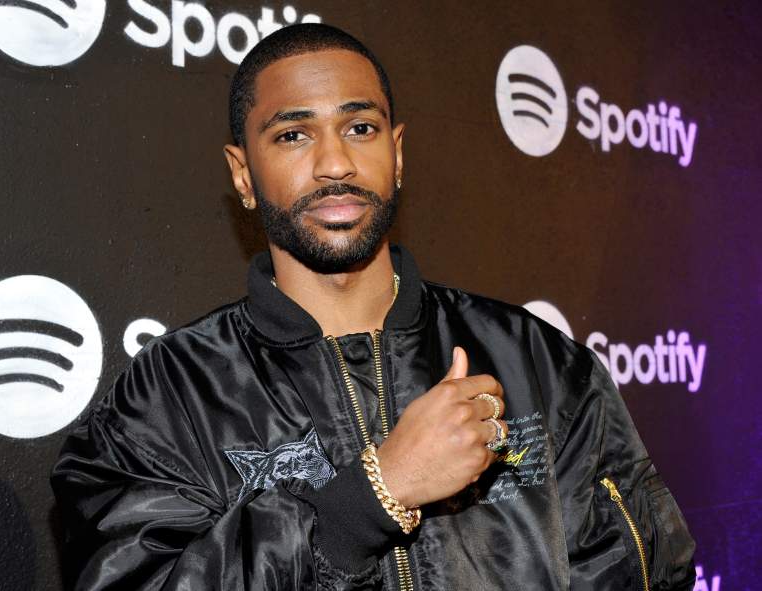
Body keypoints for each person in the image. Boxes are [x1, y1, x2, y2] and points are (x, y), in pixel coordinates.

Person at [51, 23, 696, 590]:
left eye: (360, 128)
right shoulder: (167, 398)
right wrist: (372, 495)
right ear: (243, 174)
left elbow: (645, 572)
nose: (336, 163)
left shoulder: (541, 363)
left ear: (397, 152)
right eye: (293, 135)